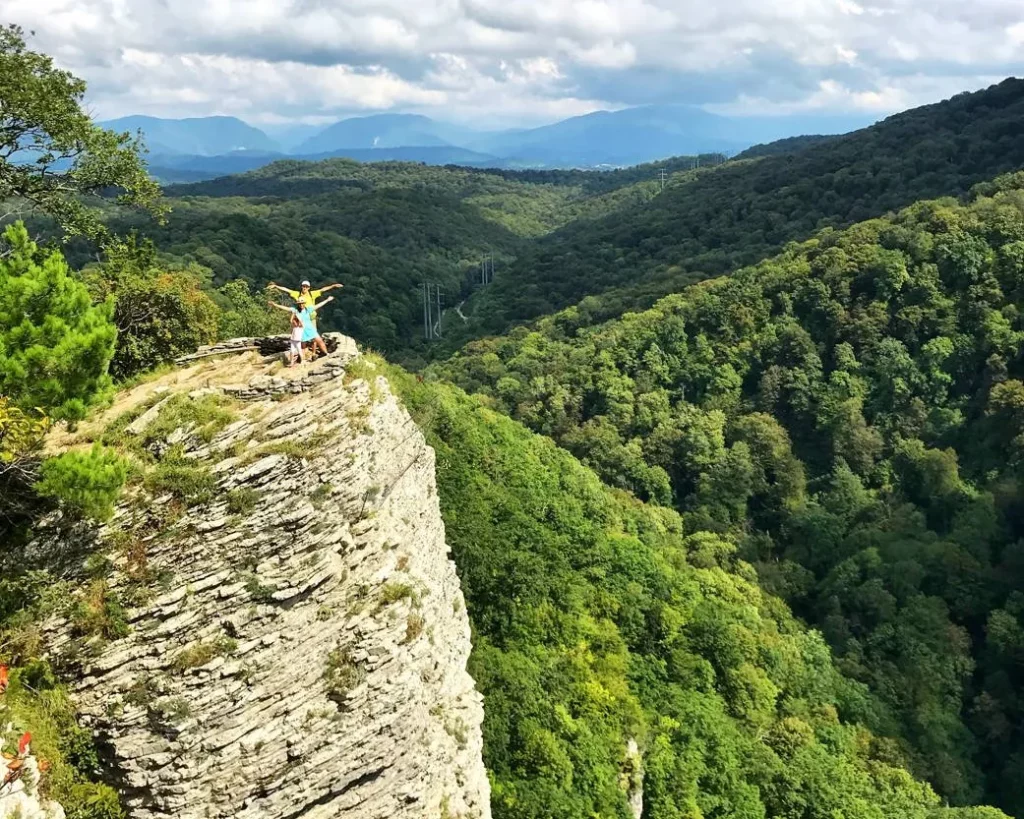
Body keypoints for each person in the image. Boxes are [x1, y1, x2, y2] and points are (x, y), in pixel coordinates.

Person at [268, 296, 335, 361]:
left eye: (302, 303)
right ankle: (303, 360)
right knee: (303, 346)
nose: (301, 304)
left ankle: (326, 354)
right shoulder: (295, 310)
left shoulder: (308, 309)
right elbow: (286, 308)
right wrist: (274, 304)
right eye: (300, 303)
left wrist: (327, 300)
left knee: (319, 340)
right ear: (298, 304)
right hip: (301, 331)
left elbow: (318, 305)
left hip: (310, 329)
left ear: (304, 303)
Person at [267, 280, 343, 330]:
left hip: (311, 316)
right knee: (302, 334)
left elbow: (323, 289)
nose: (305, 288)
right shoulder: (297, 294)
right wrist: (276, 286)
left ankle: (313, 352)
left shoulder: (312, 294)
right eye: (303, 286)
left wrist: (333, 286)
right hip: (301, 317)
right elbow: (286, 289)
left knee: (314, 333)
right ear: (301, 286)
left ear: (309, 288)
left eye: (306, 286)